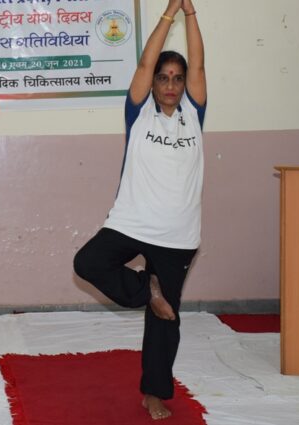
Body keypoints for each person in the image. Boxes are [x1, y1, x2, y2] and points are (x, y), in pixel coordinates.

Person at [73, 0, 205, 420]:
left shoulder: (194, 116)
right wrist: (170, 10)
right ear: (152, 83)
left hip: (179, 234)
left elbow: (200, 66)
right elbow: (147, 59)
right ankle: (144, 292)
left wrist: (192, 14)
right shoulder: (138, 113)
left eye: (177, 79)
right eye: (163, 78)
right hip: (132, 221)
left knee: (167, 323)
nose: (169, 85)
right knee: (88, 261)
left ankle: (154, 393)